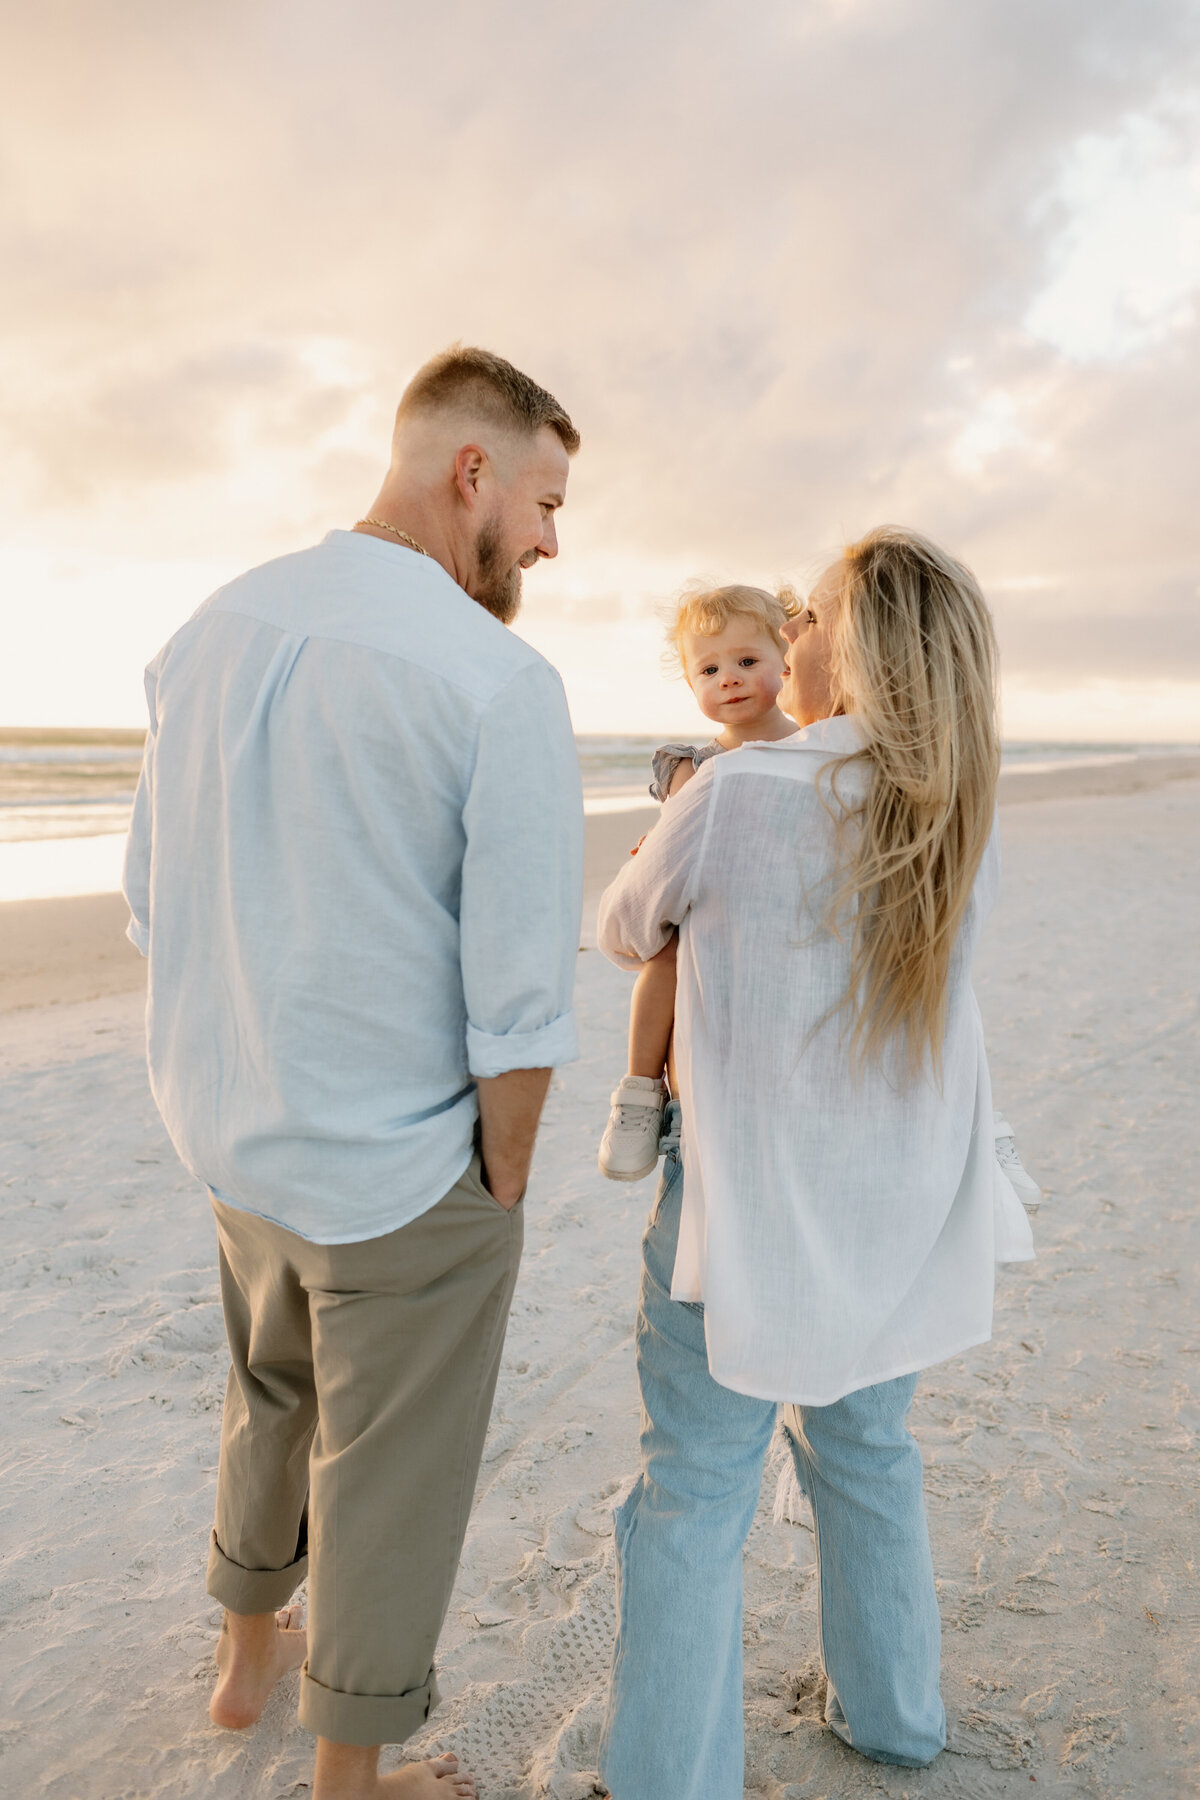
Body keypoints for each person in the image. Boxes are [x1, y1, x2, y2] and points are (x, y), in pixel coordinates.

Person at [122, 346, 584, 1800]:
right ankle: (346, 1780)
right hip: (394, 1170)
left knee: (267, 1396)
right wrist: (501, 1187)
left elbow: (152, 895)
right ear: (473, 475)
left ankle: (244, 1665)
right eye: (547, 502)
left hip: (231, 1130)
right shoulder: (497, 678)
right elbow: (521, 1001)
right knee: (391, 1466)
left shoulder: (210, 627)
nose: (551, 543)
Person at [594, 526, 1035, 1800]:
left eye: (809, 612)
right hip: (892, 1192)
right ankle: (896, 1717)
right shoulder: (959, 808)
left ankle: (672, 1782)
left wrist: (656, 857)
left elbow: (627, 932)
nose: (788, 631)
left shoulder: (736, 794)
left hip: (749, 1194)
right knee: (869, 1450)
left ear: (855, 646)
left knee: (693, 1485)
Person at [597, 584, 799, 1179]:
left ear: (785, 661)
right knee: (667, 955)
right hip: (706, 910)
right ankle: (640, 1092)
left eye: (746, 662)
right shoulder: (693, 765)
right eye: (709, 669)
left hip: (779, 908)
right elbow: (669, 859)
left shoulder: (816, 748)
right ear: (692, 684)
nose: (728, 679)